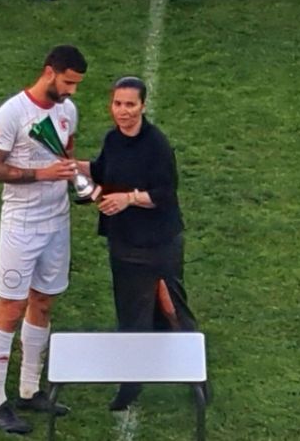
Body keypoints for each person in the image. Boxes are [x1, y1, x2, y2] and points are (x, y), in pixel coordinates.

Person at [0, 44, 87, 434]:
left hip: (57, 222)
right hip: (21, 225)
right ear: (49, 72)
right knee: (10, 309)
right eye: (68, 82)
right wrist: (41, 176)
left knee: (43, 301)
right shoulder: (13, 113)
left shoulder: (67, 111)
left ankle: (28, 388)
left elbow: (68, 155)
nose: (72, 91)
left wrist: (79, 181)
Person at [86, 76, 198, 414]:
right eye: (118, 104)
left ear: (143, 106)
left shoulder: (156, 145)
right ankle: (130, 383)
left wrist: (128, 199)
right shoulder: (112, 139)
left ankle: (197, 377)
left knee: (171, 309)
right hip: (124, 244)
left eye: (130, 105)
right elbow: (101, 171)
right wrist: (73, 168)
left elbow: (165, 194)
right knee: (130, 315)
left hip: (158, 243)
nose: (123, 111)